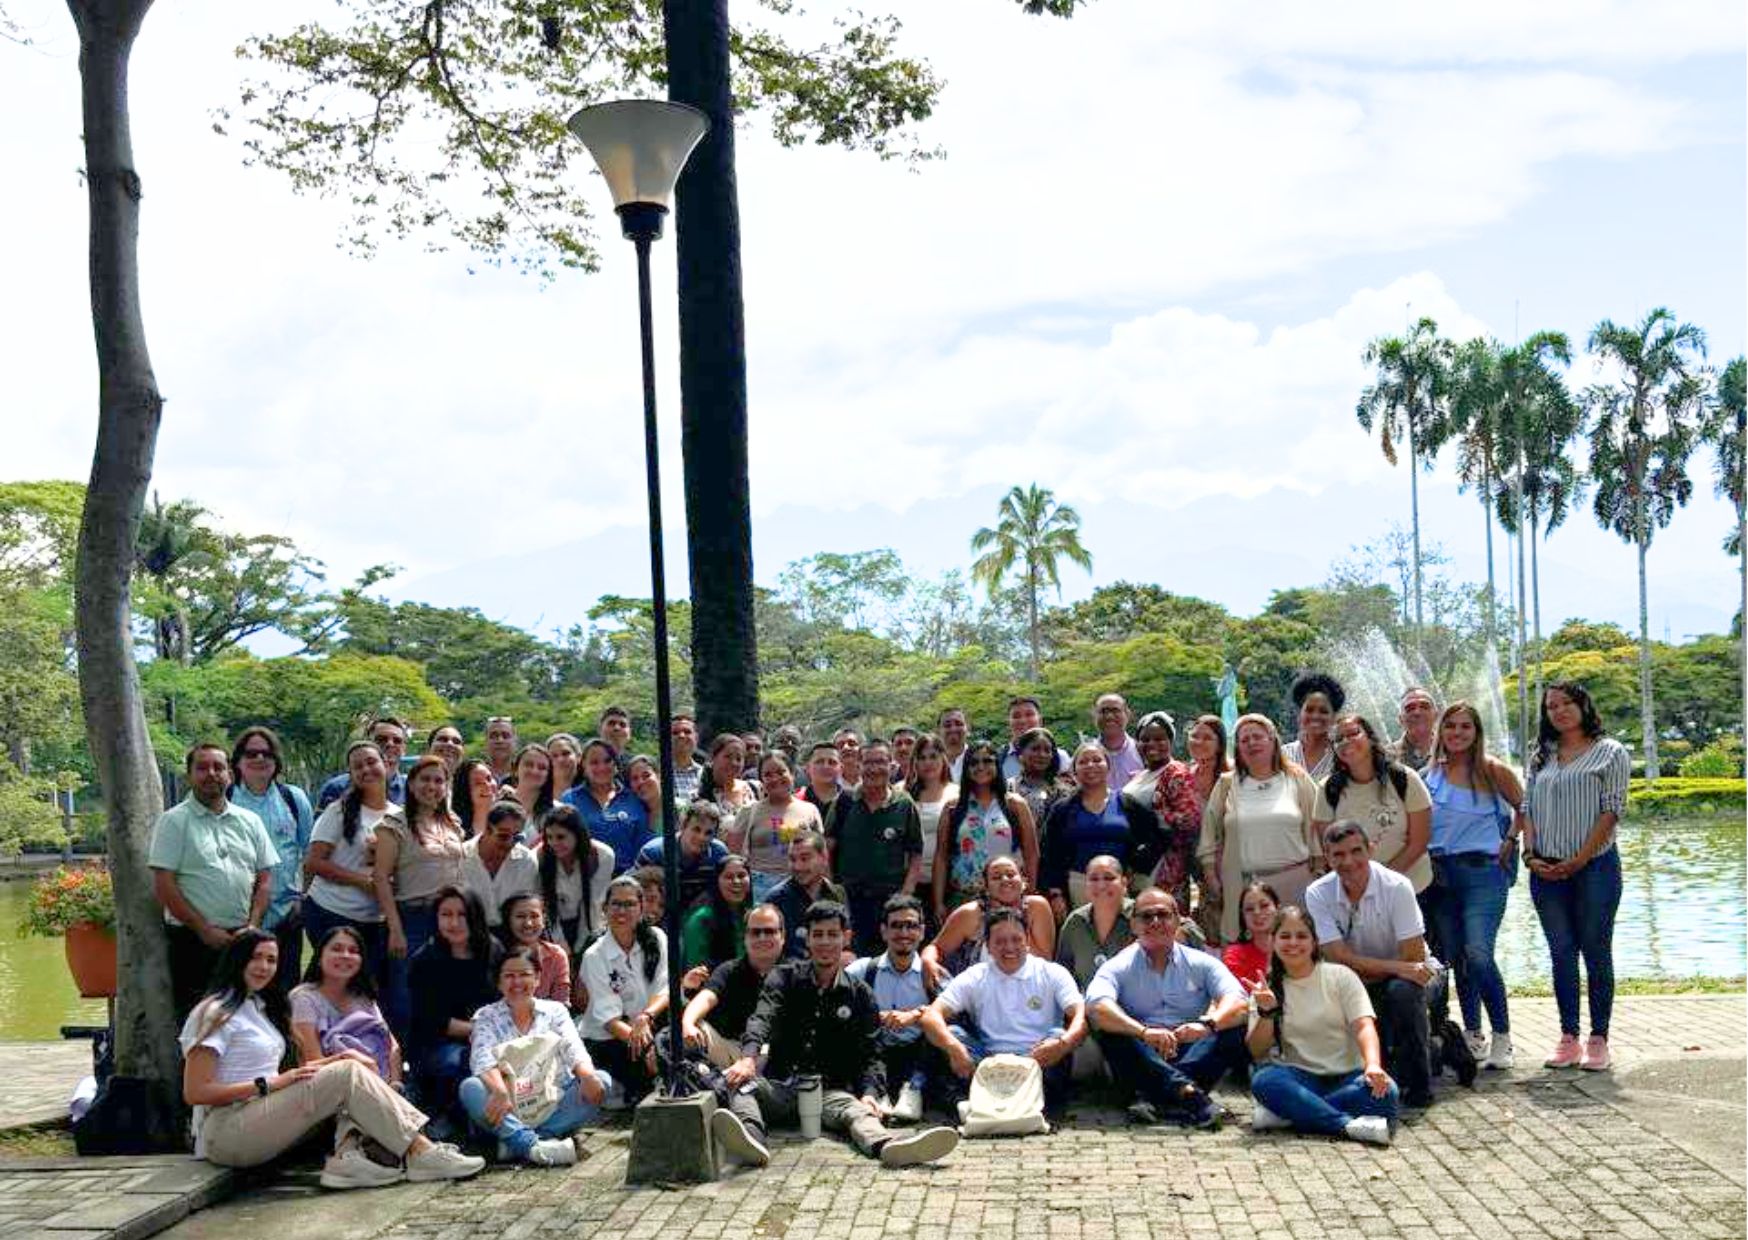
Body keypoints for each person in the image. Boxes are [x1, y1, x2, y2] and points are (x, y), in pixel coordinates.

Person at [179, 929, 483, 1185]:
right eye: (255, 957)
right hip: (227, 1131)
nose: (264, 966)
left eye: (271, 959)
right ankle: (420, 1153)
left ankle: (350, 1160)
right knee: (348, 1072)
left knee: (349, 1068)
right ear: (236, 959)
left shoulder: (257, 1007)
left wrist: (338, 1059)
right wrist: (268, 1084)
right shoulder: (214, 1012)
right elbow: (195, 1092)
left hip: (262, 1112)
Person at [719, 901, 960, 1168]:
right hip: (782, 1086)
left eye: (832, 935)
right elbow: (761, 1018)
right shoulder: (783, 978)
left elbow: (873, 1053)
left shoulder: (860, 993)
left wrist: (870, 1092)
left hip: (831, 1092)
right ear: (807, 939)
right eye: (818, 935)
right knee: (740, 1085)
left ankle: (888, 1147)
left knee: (859, 1112)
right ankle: (752, 1142)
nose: (825, 942)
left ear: (846, 938)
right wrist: (748, 1058)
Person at [1522, 681, 1631, 1072]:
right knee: (1561, 952)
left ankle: (1598, 1038)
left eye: (1567, 703)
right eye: (1552, 706)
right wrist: (1529, 854)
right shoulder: (1542, 755)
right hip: (1545, 869)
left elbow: (1612, 810)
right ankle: (1568, 1037)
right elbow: (1527, 807)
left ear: (1584, 705)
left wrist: (1579, 859)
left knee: (1595, 949)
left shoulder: (1610, 752)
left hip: (1595, 867)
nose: (1560, 711)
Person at [1304, 821, 1443, 1108]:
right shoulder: (1317, 893)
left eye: (1356, 851)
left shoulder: (1398, 886)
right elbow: (1336, 957)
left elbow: (1413, 957)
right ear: (1327, 858)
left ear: (1371, 849)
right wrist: (1392, 969)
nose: (1349, 861)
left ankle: (1419, 1087)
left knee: (1400, 993)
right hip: (1361, 977)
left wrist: (1393, 971)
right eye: (1338, 855)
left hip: (1417, 974)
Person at [1087, 889, 1248, 1128]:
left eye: (1163, 915)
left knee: (1231, 1027)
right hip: (1144, 1053)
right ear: (1133, 924)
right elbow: (1096, 1006)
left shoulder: (1202, 963)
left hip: (1192, 1049)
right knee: (1111, 1031)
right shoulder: (1118, 965)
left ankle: (1153, 1096)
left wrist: (1207, 1025)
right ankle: (1190, 1096)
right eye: (1146, 916)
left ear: (1178, 920)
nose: (1155, 922)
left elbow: (1239, 1002)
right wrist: (1143, 1032)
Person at [1243, 905, 1398, 1146]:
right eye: (1285, 936)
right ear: (1273, 941)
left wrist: (1373, 1066)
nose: (1293, 943)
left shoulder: (1340, 976)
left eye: (1302, 936)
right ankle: (1347, 1126)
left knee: (1387, 1095)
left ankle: (1290, 1114)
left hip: (1348, 1077)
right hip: (1299, 1076)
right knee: (1265, 1081)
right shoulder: (1267, 988)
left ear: (1315, 942)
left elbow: (1364, 1025)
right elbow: (1256, 1050)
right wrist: (1266, 1012)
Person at [1421, 704, 1523, 1069]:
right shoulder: (1429, 774)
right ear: (1440, 731)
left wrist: (1510, 839)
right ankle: (1472, 1034)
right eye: (1450, 726)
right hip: (1442, 876)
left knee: (1479, 953)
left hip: (1483, 873)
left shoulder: (1492, 770)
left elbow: (1526, 806)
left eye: (1466, 726)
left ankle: (1502, 1036)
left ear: (1476, 732)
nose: (1458, 733)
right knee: (1459, 958)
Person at [150, 743, 280, 1020]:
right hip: (193, 941)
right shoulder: (173, 822)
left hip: (243, 940)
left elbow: (266, 879)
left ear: (230, 775)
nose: (211, 773)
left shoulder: (250, 821)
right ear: (189, 776)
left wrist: (253, 926)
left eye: (218, 767)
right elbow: (164, 885)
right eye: (202, 768)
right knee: (197, 1023)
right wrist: (204, 929)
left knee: (246, 1021)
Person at [919, 908, 1087, 1119]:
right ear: (987, 946)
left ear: (1027, 940)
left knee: (1057, 1033)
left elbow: (1080, 1017)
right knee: (951, 1032)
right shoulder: (975, 976)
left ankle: (1025, 1106)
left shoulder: (1052, 973)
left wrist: (1063, 1043)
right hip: (988, 1064)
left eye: (1016, 939)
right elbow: (930, 1016)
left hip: (1038, 1061)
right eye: (1000, 941)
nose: (1009, 947)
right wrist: (954, 1048)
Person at [459, 945, 611, 1165]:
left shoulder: (555, 1010)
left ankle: (516, 1142)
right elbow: (482, 1057)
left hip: (551, 1097)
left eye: (524, 975)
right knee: (470, 1088)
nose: (517, 982)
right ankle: (534, 1146)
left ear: (538, 978)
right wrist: (499, 1091)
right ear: (499, 982)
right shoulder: (486, 1016)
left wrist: (587, 1076)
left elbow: (573, 1047)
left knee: (601, 1080)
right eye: (509, 976)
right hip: (509, 1103)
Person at [1197, 714, 1321, 944]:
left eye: (1258, 737)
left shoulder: (1297, 779)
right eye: (1244, 740)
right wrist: (1212, 877)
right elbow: (1209, 833)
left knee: (1296, 952)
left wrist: (1319, 870)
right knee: (1246, 955)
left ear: (1272, 740)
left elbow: (1318, 827)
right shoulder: (1226, 784)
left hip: (1295, 884)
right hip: (1244, 890)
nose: (1251, 743)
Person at [374, 754, 467, 1035]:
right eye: (425, 779)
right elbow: (380, 877)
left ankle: (436, 1056)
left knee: (446, 988)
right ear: (411, 784)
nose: (432, 786)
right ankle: (404, 1059)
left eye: (439, 780)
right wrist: (395, 929)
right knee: (406, 992)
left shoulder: (452, 822)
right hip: (412, 918)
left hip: (450, 921)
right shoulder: (394, 824)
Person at [406, 888, 498, 1136]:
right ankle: (445, 1114)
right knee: (458, 1061)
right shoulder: (425, 960)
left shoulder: (493, 951)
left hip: (490, 1036)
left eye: (462, 914)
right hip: (440, 1042)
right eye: (446, 914)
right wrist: (481, 1032)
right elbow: (432, 1022)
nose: (454, 922)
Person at [845, 894, 944, 1123]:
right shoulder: (863, 970)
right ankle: (878, 1095)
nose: (904, 933)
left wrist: (915, 1015)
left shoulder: (932, 973)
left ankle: (913, 1093)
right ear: (883, 931)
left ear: (921, 931)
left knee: (939, 1033)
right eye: (896, 926)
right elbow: (836, 1006)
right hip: (876, 1052)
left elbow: (954, 1011)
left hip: (919, 1055)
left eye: (911, 926)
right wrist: (874, 1017)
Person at [228, 727, 313, 991]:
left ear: (276, 760)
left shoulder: (293, 799)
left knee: (284, 994)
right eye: (251, 753)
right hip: (235, 918)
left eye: (266, 753)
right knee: (236, 993)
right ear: (238, 761)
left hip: (285, 915)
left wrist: (302, 898)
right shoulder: (225, 798)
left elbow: (309, 852)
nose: (259, 759)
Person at [303, 741, 396, 981]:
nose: (366, 769)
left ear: (386, 764)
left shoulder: (399, 815)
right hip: (331, 913)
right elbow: (313, 862)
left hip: (375, 920)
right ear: (351, 775)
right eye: (358, 767)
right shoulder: (339, 811)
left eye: (371, 762)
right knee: (328, 983)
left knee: (364, 988)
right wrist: (363, 881)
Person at [1316, 713, 1434, 901]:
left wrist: (1381, 880)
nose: (1346, 741)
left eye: (1353, 733)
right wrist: (1364, 883)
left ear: (1370, 738)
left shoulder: (1404, 779)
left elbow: (1420, 841)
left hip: (1412, 889)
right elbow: (1330, 847)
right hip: (1359, 894)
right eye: (1338, 739)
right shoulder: (1328, 789)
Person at [825, 739, 925, 955]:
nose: (874, 768)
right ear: (859, 765)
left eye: (881, 762)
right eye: (868, 762)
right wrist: (832, 892)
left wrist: (904, 896)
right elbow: (827, 850)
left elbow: (916, 854)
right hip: (849, 901)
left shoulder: (904, 804)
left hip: (890, 901)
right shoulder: (844, 802)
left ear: (891, 765)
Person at [1040, 742, 1164, 916]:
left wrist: (1136, 865)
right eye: (1083, 762)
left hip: (1118, 884)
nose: (1091, 765)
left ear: (1108, 767)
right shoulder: (1062, 809)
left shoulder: (1127, 804)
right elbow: (1049, 853)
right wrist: (1055, 893)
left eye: (1097, 760)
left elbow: (1158, 837)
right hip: (1078, 884)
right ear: (1074, 770)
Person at [577, 876, 670, 1102]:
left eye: (629, 904)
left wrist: (645, 1018)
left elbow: (664, 988)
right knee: (655, 1068)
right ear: (604, 909)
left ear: (641, 908)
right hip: (609, 1038)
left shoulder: (657, 938)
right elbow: (609, 1020)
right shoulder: (594, 955)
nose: (622, 910)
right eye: (616, 904)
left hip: (646, 1025)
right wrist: (648, 1047)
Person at [933, 739, 1040, 922]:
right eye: (974, 762)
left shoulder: (1014, 805)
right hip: (964, 897)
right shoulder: (954, 808)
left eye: (988, 761)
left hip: (1008, 896)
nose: (981, 766)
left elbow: (1031, 853)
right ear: (966, 768)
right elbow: (941, 857)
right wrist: (938, 903)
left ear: (997, 764)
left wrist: (1028, 893)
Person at [678, 903, 787, 1072]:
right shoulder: (728, 970)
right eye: (755, 932)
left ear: (783, 936)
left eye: (769, 931)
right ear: (745, 937)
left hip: (778, 1058)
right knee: (685, 1029)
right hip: (732, 1053)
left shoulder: (795, 973)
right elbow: (706, 998)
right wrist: (687, 1023)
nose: (762, 938)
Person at [289, 926, 401, 1092]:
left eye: (353, 951)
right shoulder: (304, 998)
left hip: (379, 1085)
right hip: (329, 1088)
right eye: (336, 949)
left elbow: (392, 1047)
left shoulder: (364, 998)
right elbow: (310, 1061)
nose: (345, 955)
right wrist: (349, 1060)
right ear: (319, 957)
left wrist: (394, 1086)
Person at [922, 854, 1055, 987]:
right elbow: (936, 947)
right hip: (978, 993)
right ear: (986, 887)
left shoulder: (1037, 907)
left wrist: (1014, 919)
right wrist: (928, 961)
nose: (1004, 880)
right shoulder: (970, 914)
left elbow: (1045, 961)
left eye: (1010, 874)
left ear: (1024, 882)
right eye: (996, 877)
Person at [1123, 712, 1201, 911]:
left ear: (1171, 741)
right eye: (1145, 739)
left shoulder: (1176, 773)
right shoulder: (1140, 775)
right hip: (1138, 866)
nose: (1152, 744)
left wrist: (1159, 814)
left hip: (1165, 869)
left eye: (1159, 739)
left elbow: (1190, 820)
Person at [727, 755, 821, 902]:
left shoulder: (810, 810)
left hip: (801, 886)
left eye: (781, 772)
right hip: (760, 889)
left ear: (792, 773)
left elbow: (821, 855)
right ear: (761, 780)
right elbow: (733, 859)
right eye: (768, 775)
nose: (775, 778)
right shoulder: (748, 812)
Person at [562, 739, 652, 875]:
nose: (602, 767)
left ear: (616, 764)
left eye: (607, 760)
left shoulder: (633, 799)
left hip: (626, 880)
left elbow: (642, 845)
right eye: (594, 762)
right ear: (583, 766)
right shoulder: (569, 798)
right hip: (582, 879)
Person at [536, 803, 614, 955]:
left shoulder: (602, 856)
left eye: (561, 837)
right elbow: (543, 905)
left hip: (589, 923)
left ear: (577, 834)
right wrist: (561, 946)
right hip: (551, 925)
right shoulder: (538, 858)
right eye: (549, 837)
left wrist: (580, 948)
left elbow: (594, 903)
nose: (554, 843)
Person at [1055, 855, 1135, 990]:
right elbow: (1063, 976)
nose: (1101, 885)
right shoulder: (1075, 922)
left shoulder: (1143, 915)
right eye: (1093, 879)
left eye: (1109, 878)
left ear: (1124, 883)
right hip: (1086, 1007)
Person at [1184, 715, 1230, 943]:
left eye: (1207, 737)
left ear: (1220, 743)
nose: (1199, 742)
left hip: (1230, 864)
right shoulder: (1183, 777)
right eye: (1194, 736)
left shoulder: (1231, 777)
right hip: (1198, 870)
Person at [766, 831, 847, 959]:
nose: (798, 866)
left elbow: (847, 940)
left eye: (805, 858)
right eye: (792, 859)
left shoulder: (837, 894)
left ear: (824, 858)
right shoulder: (776, 900)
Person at [459, 802, 539, 928]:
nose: (510, 843)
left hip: (512, 933)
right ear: (487, 830)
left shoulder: (527, 861)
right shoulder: (460, 857)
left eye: (517, 838)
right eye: (503, 836)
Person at [641, 801, 733, 909]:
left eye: (708, 833)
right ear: (683, 826)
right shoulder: (654, 853)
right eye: (696, 829)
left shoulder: (719, 854)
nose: (701, 837)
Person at [905, 734, 957, 918]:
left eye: (933, 756)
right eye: (922, 758)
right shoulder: (902, 793)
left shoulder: (957, 793)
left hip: (948, 882)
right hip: (910, 882)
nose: (928, 763)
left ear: (943, 758)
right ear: (915, 762)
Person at [681, 854, 754, 976]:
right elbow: (695, 970)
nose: (736, 881)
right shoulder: (701, 919)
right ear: (717, 882)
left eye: (741, 876)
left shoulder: (755, 915)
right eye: (729, 877)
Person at [317, 717, 410, 811]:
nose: (390, 744)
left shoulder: (413, 790)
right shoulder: (336, 788)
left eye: (397, 741)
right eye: (381, 739)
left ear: (404, 749)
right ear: (367, 743)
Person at [498, 892, 571, 1006]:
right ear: (508, 919)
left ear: (544, 919)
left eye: (534, 916)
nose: (528, 923)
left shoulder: (556, 955)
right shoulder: (496, 955)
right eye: (520, 916)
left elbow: (562, 1002)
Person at [1010, 726, 1074, 845]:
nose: (1042, 754)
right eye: (1035, 749)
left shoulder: (1065, 791)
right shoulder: (1009, 788)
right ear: (1021, 753)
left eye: (1047, 750)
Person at [1280, 673, 1344, 782]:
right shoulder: (1283, 755)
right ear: (1300, 713)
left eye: (1323, 711)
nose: (1315, 716)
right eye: (1309, 710)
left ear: (1334, 717)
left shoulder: (1342, 757)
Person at [1221, 881, 1280, 987]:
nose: (1257, 912)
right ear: (1243, 917)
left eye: (1264, 905)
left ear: (1277, 908)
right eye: (1249, 909)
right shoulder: (1234, 956)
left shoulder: (1292, 946)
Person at [998, 696, 1067, 781]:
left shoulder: (1060, 757)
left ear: (1040, 720)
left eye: (1029, 714)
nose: (1023, 721)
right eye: (1016, 716)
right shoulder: (998, 760)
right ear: (1008, 723)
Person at [697, 733, 760, 816]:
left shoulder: (754, 789)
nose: (733, 763)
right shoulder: (698, 794)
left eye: (738, 759)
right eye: (728, 757)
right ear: (713, 758)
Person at [1092, 693, 1144, 788]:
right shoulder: (1085, 757)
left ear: (1127, 714)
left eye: (1115, 710)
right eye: (1104, 711)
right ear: (1095, 716)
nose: (1109, 716)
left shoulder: (1143, 751)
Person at [503, 743, 555, 830]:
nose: (535, 771)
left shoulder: (557, 812)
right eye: (528, 765)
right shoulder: (497, 805)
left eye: (542, 768)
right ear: (515, 769)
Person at [796, 742, 846, 820]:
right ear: (807, 768)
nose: (826, 766)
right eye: (819, 762)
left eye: (832, 762)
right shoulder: (795, 802)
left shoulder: (852, 803)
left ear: (841, 769)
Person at [451, 759, 498, 838]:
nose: (487, 785)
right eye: (478, 783)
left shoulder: (508, 820)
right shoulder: (454, 828)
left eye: (489, 779)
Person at [670, 714, 705, 805]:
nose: (681, 736)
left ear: (696, 738)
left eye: (687, 732)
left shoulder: (706, 775)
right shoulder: (658, 773)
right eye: (675, 733)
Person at [546, 733, 585, 803]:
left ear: (579, 757)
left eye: (566, 753)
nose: (560, 760)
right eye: (554, 756)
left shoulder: (593, 789)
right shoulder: (538, 791)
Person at [937, 707, 970, 782]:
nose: (953, 729)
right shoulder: (929, 762)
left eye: (959, 724)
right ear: (938, 731)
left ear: (968, 729)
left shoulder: (980, 760)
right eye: (947, 725)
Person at [483, 716, 518, 782]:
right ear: (486, 742)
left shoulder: (525, 775)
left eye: (505, 736)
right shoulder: (473, 775)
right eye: (494, 736)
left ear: (515, 742)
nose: (500, 740)